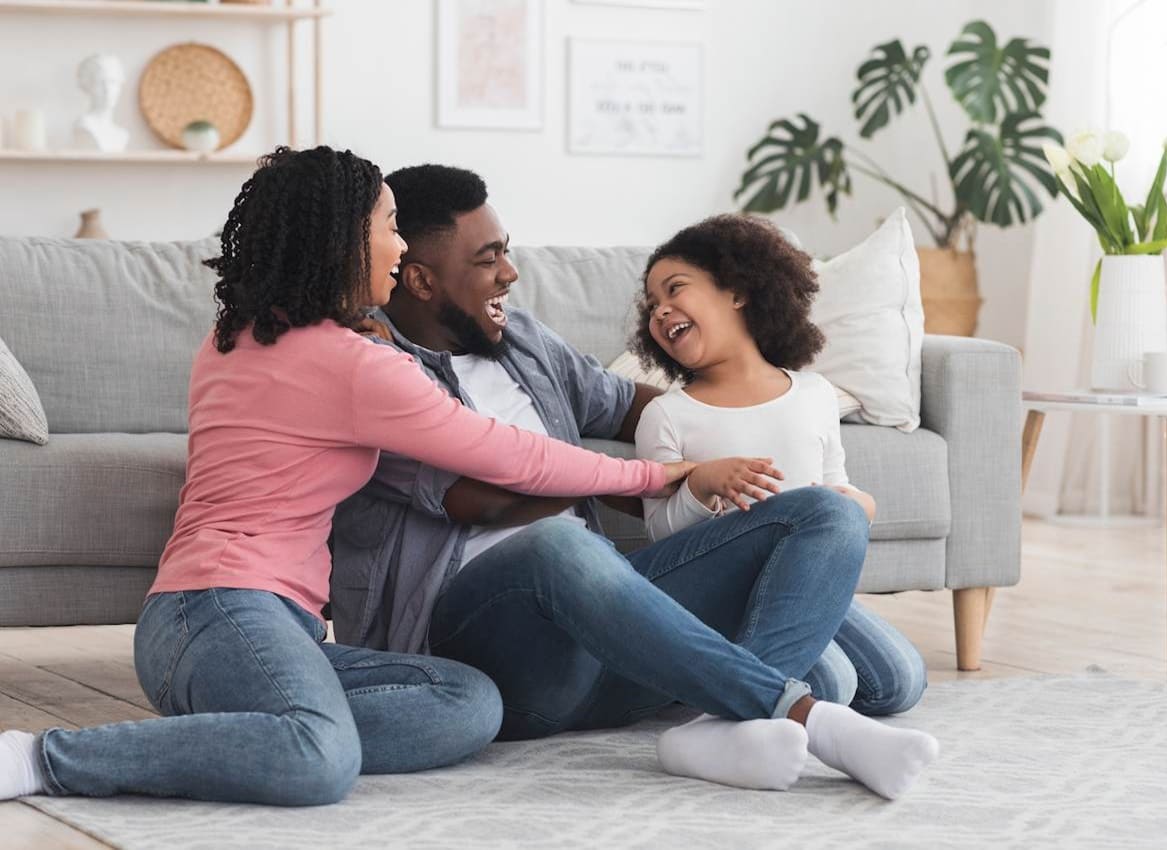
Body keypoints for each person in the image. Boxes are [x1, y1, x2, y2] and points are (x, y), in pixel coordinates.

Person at [0, 145, 700, 807]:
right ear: (340, 241)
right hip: (220, 609)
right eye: (390, 228)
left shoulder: (238, 335)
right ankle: (45, 758)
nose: (400, 249)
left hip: (234, 629)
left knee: (469, 704)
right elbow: (509, 454)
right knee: (319, 759)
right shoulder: (353, 364)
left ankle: (250, 729)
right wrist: (653, 475)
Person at [331, 164, 934, 797]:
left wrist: (739, 441)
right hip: (491, 651)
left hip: (606, 643)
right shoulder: (373, 368)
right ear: (422, 278)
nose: (510, 273)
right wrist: (646, 476)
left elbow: (625, 404)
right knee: (557, 544)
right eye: (488, 260)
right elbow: (481, 503)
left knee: (824, 523)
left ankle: (726, 726)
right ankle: (795, 714)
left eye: (505, 251)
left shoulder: (522, 340)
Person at [630, 212, 938, 758]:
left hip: (800, 577)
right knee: (836, 685)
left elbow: (835, 487)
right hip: (722, 589)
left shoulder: (814, 393)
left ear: (738, 292)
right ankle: (732, 712)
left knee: (897, 681)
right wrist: (701, 488)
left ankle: (746, 675)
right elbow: (661, 538)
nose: (660, 310)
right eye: (652, 303)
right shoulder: (668, 415)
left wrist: (859, 504)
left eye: (675, 289)